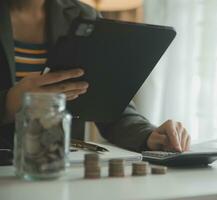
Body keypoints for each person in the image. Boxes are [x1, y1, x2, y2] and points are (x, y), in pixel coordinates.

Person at [0, 0, 190, 153]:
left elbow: (108, 104)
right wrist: (9, 103)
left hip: (58, 167)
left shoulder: (83, 15)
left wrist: (148, 135)